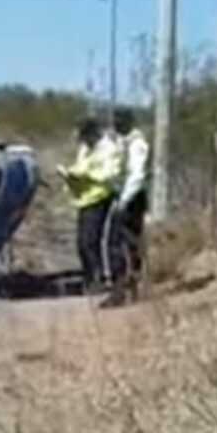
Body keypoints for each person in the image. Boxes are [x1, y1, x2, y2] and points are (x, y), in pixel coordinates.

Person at [58, 117, 121, 293]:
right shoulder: (85, 149)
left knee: (91, 240)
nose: (83, 142)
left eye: (85, 137)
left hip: (102, 197)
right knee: (82, 242)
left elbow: (108, 174)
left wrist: (86, 176)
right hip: (85, 199)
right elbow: (80, 167)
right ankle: (90, 278)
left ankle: (100, 278)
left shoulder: (109, 149)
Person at [102, 107, 150, 308]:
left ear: (128, 122)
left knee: (116, 243)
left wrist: (123, 201)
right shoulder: (121, 143)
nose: (115, 124)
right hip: (124, 195)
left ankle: (121, 289)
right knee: (129, 242)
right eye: (114, 120)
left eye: (119, 120)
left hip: (131, 198)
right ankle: (131, 287)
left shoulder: (137, 144)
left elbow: (137, 175)